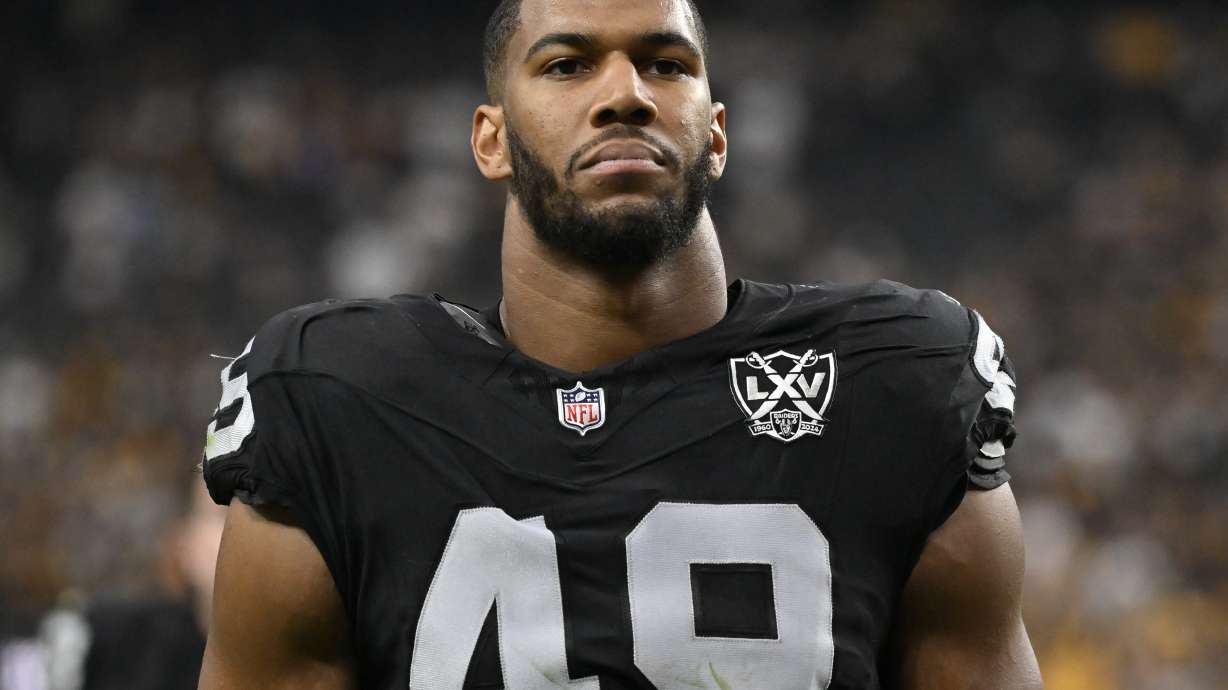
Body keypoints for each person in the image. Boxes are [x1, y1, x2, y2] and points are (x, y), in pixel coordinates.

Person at [197, 0, 1042, 688]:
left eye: (665, 63)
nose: (625, 94)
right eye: (567, 65)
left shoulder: (892, 381)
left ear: (715, 134)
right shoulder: (336, 401)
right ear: (491, 140)